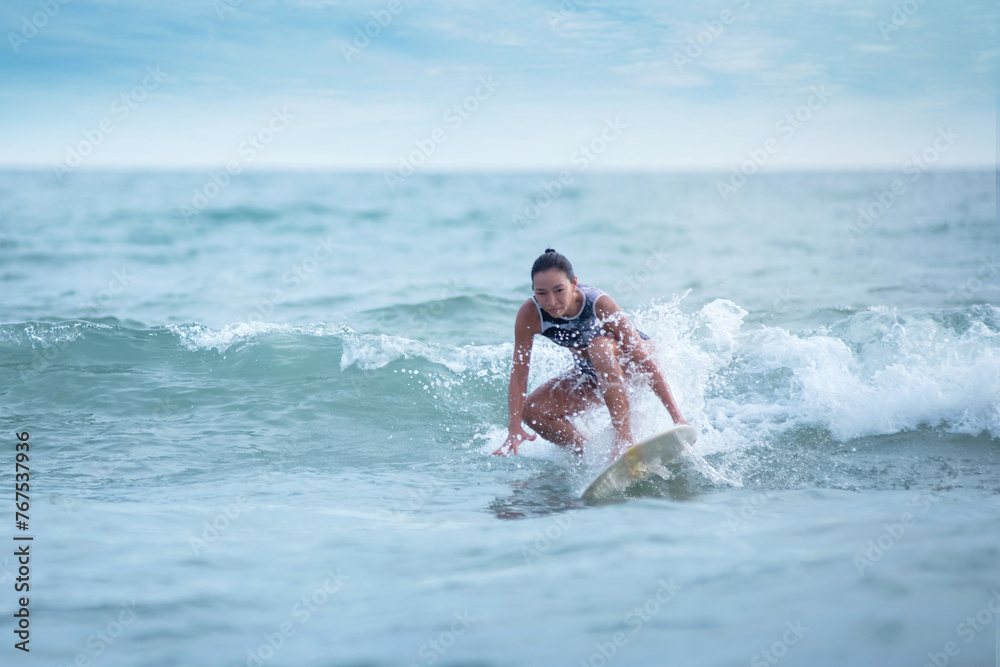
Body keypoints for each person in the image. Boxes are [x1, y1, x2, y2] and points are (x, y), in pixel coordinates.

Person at [493, 248, 690, 460]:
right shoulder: (530, 314)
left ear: (574, 283)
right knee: (533, 411)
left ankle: (624, 441)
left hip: (634, 364)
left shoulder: (598, 303)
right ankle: (586, 454)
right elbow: (519, 373)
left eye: (559, 290)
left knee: (600, 348)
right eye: (541, 293)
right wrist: (514, 426)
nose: (550, 301)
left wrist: (677, 417)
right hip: (595, 372)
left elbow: (641, 356)